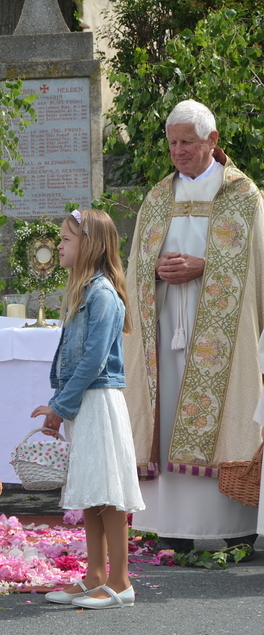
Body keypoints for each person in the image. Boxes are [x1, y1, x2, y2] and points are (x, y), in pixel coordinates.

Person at [122, 100, 263, 554]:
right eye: (172, 143)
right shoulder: (159, 196)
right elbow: (136, 264)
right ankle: (172, 528)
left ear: (212, 140)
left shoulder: (242, 194)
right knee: (165, 419)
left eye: (187, 142)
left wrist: (205, 266)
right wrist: (156, 268)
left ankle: (235, 525)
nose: (179, 151)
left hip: (223, 338)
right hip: (166, 331)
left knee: (228, 418)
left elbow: (256, 266)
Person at [33, 210, 145, 610]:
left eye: (66, 239)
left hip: (98, 401)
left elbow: (94, 361)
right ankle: (95, 575)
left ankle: (121, 581)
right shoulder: (81, 292)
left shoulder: (102, 295)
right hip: (85, 401)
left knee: (108, 492)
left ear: (90, 245)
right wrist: (62, 404)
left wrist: (59, 405)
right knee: (92, 490)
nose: (58, 246)